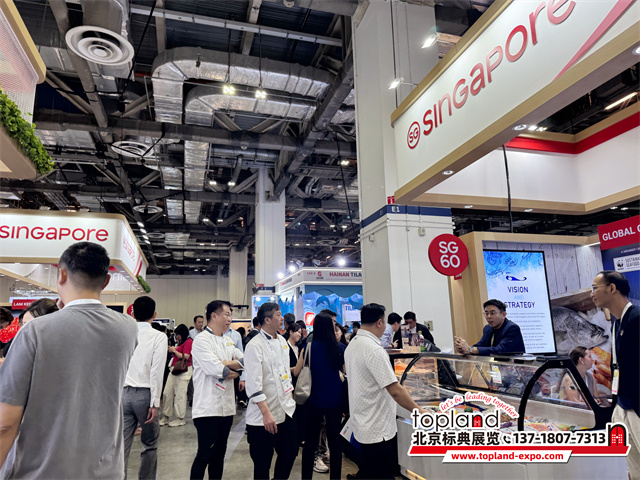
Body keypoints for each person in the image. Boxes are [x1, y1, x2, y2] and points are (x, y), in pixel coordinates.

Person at [0, 241, 137, 479]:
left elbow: (6, 422)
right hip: (105, 470)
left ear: (61, 274)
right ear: (106, 281)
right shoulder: (128, 328)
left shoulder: (35, 331)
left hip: (43, 470)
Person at [345, 303, 426, 480]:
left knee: (369, 471)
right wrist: (419, 411)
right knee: (380, 472)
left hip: (363, 422)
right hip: (377, 428)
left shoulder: (353, 344)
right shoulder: (374, 350)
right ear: (379, 322)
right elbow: (395, 390)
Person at [591, 270, 639, 479]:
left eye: (595, 288)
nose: (591, 294)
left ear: (612, 288)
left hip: (637, 406)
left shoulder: (636, 318)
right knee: (633, 466)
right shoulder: (616, 322)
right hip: (622, 405)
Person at [190, 300, 244, 480]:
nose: (230, 318)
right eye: (227, 314)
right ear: (214, 315)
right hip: (208, 409)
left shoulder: (228, 341)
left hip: (227, 409)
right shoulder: (201, 340)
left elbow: (244, 362)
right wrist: (230, 368)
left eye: (230, 315)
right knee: (204, 455)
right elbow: (218, 370)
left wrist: (225, 364)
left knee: (219, 456)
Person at [245, 302, 298, 480]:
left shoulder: (282, 341)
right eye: (278, 315)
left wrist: (290, 396)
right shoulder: (254, 345)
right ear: (267, 320)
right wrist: (266, 413)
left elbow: (285, 374)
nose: (282, 318)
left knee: (290, 453)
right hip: (263, 417)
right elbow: (253, 384)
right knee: (262, 464)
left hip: (286, 410)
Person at [294, 313, 346, 479]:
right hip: (335, 401)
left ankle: (306, 477)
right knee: (335, 443)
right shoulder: (339, 348)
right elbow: (345, 372)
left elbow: (296, 371)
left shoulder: (308, 347)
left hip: (313, 401)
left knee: (310, 443)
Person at [122, 296, 168, 479]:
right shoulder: (159, 337)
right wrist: (155, 403)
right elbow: (157, 371)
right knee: (149, 445)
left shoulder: (125, 334)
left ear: (132, 314)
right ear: (154, 315)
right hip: (145, 395)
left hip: (124, 394)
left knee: (121, 446)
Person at [454, 299, 525, 355]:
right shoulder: (487, 328)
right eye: (486, 313)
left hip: (514, 367)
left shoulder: (512, 328)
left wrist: (471, 350)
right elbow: (481, 345)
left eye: (492, 313)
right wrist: (464, 349)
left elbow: (499, 350)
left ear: (503, 314)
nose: (488, 316)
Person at [160, 323, 193, 427]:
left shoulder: (189, 342)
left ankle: (180, 418)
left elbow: (186, 356)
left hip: (183, 371)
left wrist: (174, 351)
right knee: (167, 393)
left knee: (180, 395)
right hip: (174, 370)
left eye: (177, 334)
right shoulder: (180, 342)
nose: (176, 337)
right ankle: (166, 416)